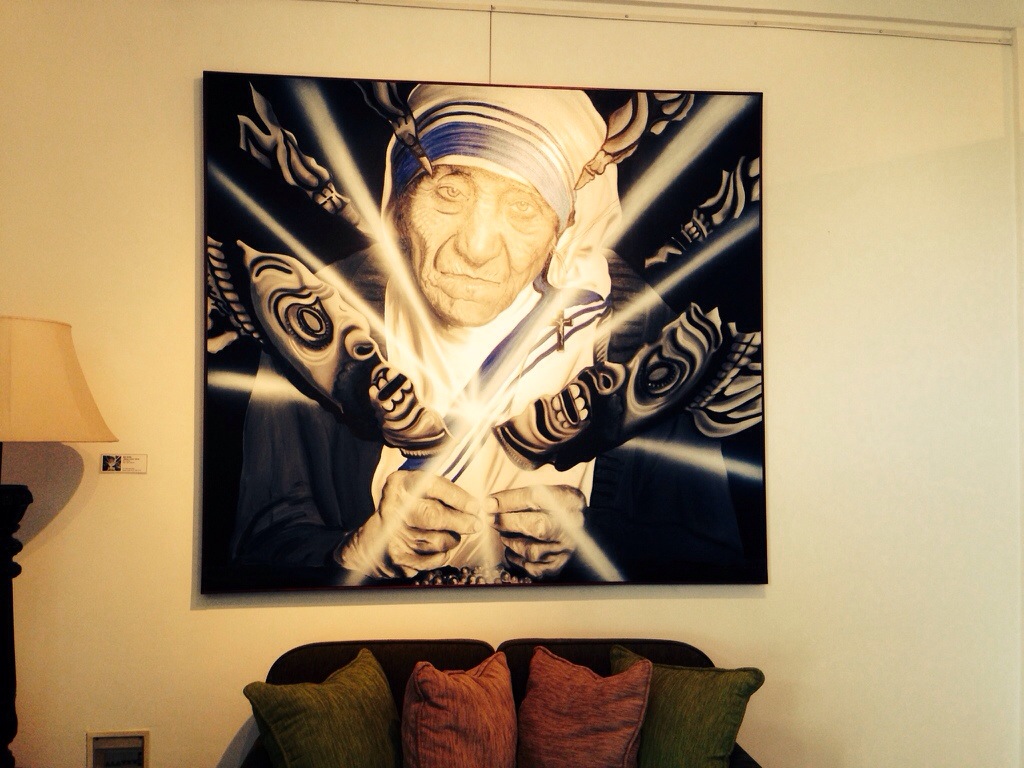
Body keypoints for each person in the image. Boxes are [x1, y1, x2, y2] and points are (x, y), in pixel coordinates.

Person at [231, 84, 627, 582]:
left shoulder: (626, 340)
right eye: (449, 193)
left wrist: (585, 547)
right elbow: (260, 547)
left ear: (562, 231)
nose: (477, 248)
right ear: (399, 203)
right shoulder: (320, 322)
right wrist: (358, 553)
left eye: (524, 208)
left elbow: (692, 547)